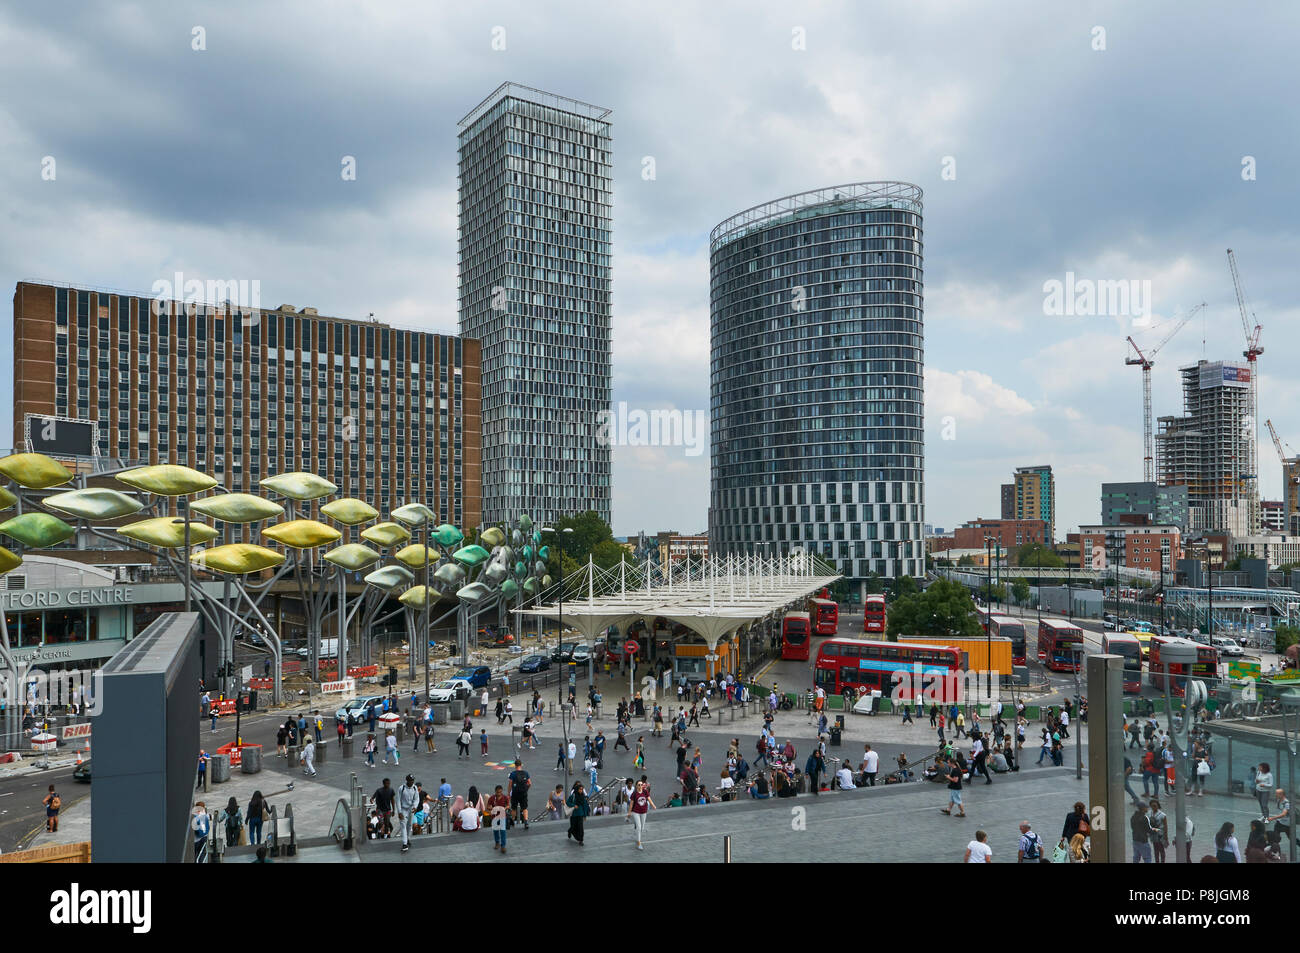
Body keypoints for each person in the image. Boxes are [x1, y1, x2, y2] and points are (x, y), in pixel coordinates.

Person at [630, 779, 655, 850]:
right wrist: (629, 813)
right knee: (639, 827)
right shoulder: (634, 794)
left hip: (644, 811)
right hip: (636, 812)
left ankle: (638, 834)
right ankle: (639, 842)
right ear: (636, 786)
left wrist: (653, 806)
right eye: (639, 785)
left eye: (641, 784)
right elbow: (631, 804)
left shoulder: (645, 791)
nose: (640, 786)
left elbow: (649, 799)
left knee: (642, 828)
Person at [397, 774, 420, 852]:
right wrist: (399, 812)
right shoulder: (401, 788)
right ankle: (404, 843)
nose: (412, 782)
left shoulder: (415, 788)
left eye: (413, 780)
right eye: (410, 780)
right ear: (407, 780)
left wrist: (415, 807)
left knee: (409, 825)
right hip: (403, 809)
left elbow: (417, 799)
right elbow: (398, 800)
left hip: (411, 809)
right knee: (403, 825)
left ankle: (407, 839)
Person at [507, 759, 532, 828]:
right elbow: (530, 783)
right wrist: (526, 789)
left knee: (514, 808)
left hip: (515, 793)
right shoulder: (526, 773)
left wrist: (509, 793)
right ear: (521, 765)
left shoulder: (513, 774)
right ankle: (526, 821)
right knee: (524, 808)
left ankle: (512, 821)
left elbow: (510, 784)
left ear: (515, 765)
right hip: (523, 793)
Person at [487, 784, 510, 853]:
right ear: (495, 791)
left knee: (503, 831)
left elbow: (508, 806)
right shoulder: (492, 798)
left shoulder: (505, 798)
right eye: (497, 792)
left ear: (502, 791)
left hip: (503, 816)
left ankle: (503, 846)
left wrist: (505, 808)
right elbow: (488, 806)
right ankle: (497, 843)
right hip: (494, 817)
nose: (499, 794)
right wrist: (490, 807)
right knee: (496, 831)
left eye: (500, 792)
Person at [1149, 798, 1170, 864]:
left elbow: (1165, 826)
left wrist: (1166, 836)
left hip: (1160, 834)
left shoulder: (1162, 815)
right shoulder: (1150, 813)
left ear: (1158, 805)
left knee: (1161, 849)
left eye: (1155, 805)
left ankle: (1163, 861)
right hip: (1153, 834)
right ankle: (1157, 861)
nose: (1153, 807)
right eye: (1152, 806)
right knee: (1155, 850)